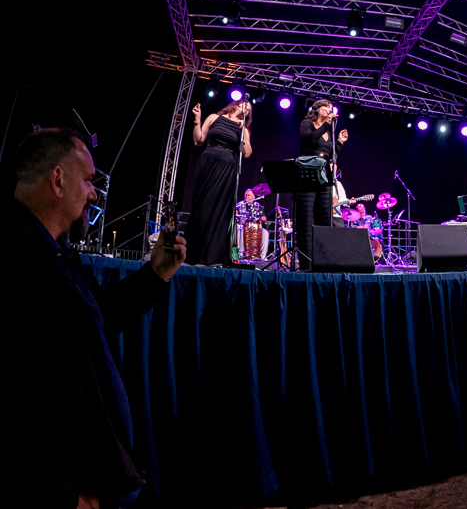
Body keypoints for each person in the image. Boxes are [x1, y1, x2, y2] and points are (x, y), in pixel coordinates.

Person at [2, 128, 186, 507]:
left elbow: (97, 318)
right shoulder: (11, 258)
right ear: (57, 180)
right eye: (88, 180)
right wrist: (64, 496)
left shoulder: (55, 253)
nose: (94, 194)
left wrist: (156, 274)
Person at [185, 99, 252, 265]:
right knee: (201, 205)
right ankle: (192, 252)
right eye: (246, 106)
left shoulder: (243, 129)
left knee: (218, 209)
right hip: (208, 162)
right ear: (237, 105)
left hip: (226, 167)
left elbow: (247, 153)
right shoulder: (214, 117)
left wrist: (242, 133)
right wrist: (197, 118)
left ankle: (211, 256)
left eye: (249, 110)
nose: (247, 110)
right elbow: (198, 140)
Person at [295, 99, 348, 270]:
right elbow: (310, 140)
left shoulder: (329, 131)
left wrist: (338, 143)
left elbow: (330, 154)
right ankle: (306, 263)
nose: (329, 110)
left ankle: (322, 261)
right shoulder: (307, 124)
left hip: (324, 175)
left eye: (331, 108)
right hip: (308, 173)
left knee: (324, 218)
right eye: (326, 107)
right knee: (305, 218)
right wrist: (326, 125)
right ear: (317, 109)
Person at [235, 188, 269, 259]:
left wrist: (257, 220)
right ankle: (240, 255)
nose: (246, 196)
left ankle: (263, 256)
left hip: (255, 227)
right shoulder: (240, 205)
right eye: (246, 195)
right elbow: (235, 215)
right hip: (243, 226)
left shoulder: (258, 206)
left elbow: (264, 219)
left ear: (254, 197)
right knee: (239, 230)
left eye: (249, 195)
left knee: (265, 233)